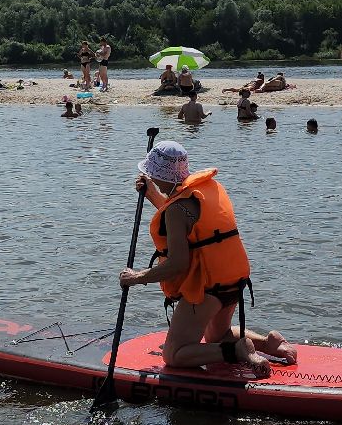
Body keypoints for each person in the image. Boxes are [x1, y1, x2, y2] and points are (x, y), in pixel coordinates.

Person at [117, 142, 294, 378]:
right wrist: (152, 194)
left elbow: (178, 264)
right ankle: (269, 343)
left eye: (153, 174)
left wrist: (136, 277)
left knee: (174, 354)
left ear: (161, 174)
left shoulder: (178, 209)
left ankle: (238, 350)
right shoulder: (207, 189)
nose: (152, 178)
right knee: (215, 337)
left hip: (207, 287)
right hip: (233, 279)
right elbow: (187, 223)